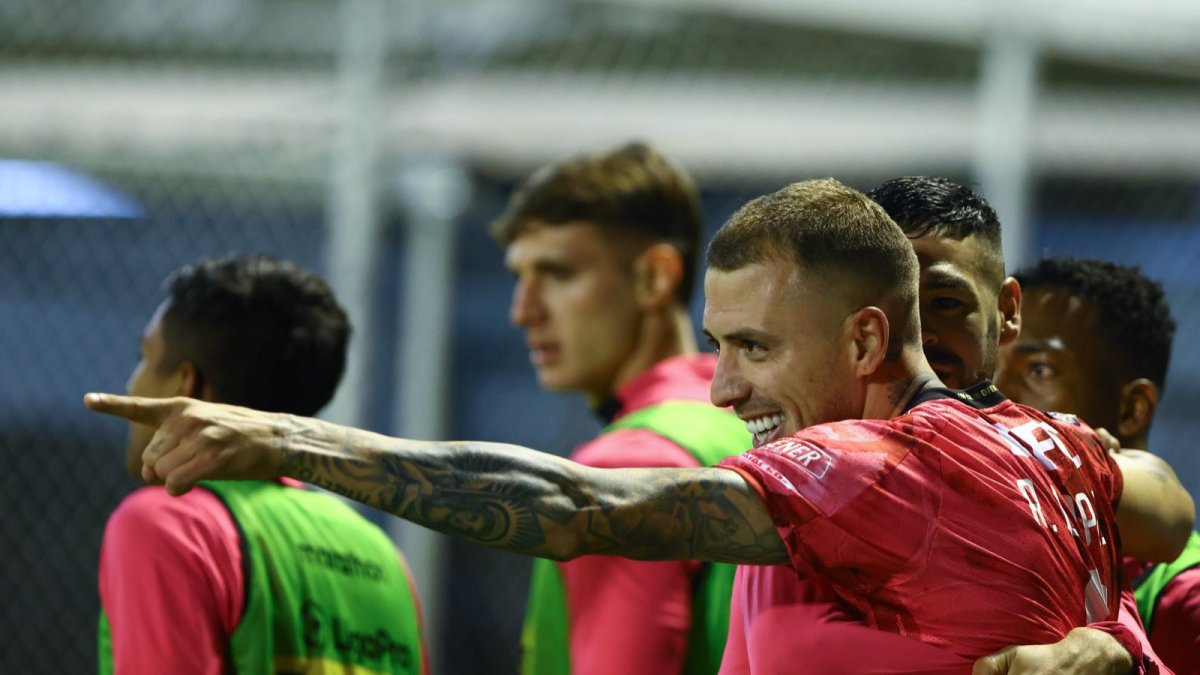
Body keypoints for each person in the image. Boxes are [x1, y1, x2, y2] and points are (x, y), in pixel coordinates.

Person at [87, 179, 1193, 669]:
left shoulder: (857, 468)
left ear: (865, 341)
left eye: (754, 349)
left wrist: (284, 440)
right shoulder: (1045, 447)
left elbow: (573, 510)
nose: (724, 390)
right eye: (720, 346)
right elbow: (1156, 508)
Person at [719, 176, 1176, 675]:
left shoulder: (1051, 477)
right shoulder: (800, 481)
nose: (916, 334)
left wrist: (1116, 653)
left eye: (943, 303)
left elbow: (1169, 515)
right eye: (896, 309)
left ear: (1007, 311)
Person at [96, 255, 428, 675]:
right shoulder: (383, 557)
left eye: (144, 357)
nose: (132, 383)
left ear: (187, 384)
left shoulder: (169, 526)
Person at [492, 142, 750, 675]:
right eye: (519, 276)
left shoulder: (626, 466)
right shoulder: (747, 428)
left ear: (655, 277)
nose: (523, 311)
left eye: (558, 274)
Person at [997, 257, 1200, 675]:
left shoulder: (1185, 597)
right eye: (989, 367)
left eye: (1037, 369)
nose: (996, 395)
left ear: (1131, 409)